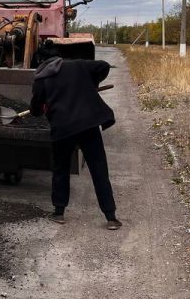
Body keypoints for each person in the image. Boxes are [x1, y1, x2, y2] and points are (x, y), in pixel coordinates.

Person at [29, 51, 122, 230]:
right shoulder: (77, 64)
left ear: (41, 62)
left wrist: (40, 107)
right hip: (89, 124)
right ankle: (111, 217)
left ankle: (59, 213)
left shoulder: (41, 78)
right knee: (98, 168)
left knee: (61, 168)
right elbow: (103, 65)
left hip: (63, 128)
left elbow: (36, 110)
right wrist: (92, 85)